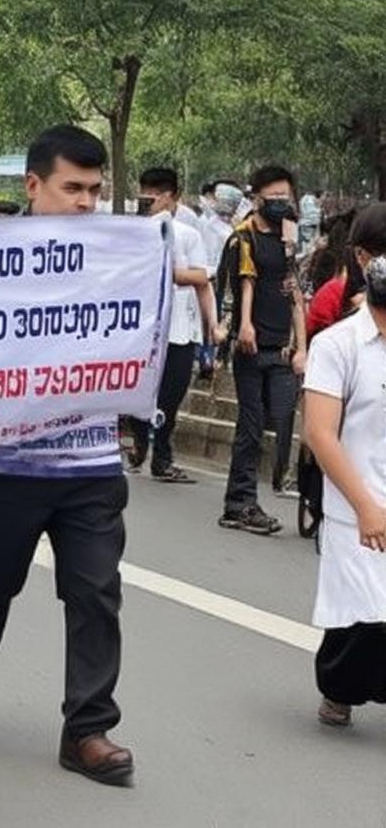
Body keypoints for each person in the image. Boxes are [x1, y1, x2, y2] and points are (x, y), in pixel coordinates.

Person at [0, 125, 135, 787]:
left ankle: (88, 729)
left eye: (94, 191)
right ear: (33, 185)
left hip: (91, 463)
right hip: (9, 463)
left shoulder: (118, 259)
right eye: (71, 188)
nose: (85, 202)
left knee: (96, 594)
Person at [304, 202, 386, 728]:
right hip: (356, 506)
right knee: (366, 622)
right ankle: (339, 689)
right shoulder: (339, 345)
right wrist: (365, 506)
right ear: (363, 258)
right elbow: (319, 433)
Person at [218, 165, 307, 534]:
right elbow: (245, 283)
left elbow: (293, 289)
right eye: (273, 199)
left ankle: (262, 491)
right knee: (251, 426)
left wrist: (301, 345)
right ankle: (239, 503)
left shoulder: (288, 234)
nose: (280, 204)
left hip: (280, 347)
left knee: (278, 416)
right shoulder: (243, 237)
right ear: (257, 198)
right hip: (251, 345)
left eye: (285, 197)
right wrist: (244, 326)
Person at [127, 168, 213, 483]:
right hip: (142, 327)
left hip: (178, 327)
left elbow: (202, 276)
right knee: (139, 390)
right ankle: (137, 442)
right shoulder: (132, 230)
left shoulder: (187, 233)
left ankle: (162, 457)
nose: (149, 199)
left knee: (171, 394)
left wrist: (167, 271)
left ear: (172, 196)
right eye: (145, 192)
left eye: (157, 193)